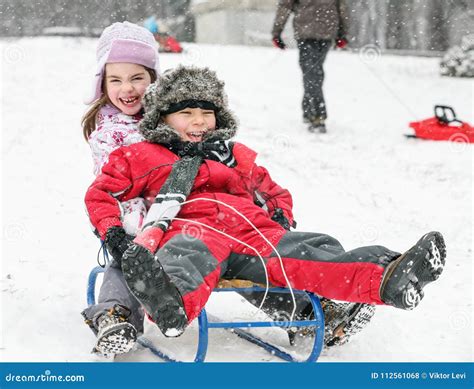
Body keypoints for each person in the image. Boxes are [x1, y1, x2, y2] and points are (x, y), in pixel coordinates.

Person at [84, 66, 446, 342]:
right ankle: (170, 303)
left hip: (253, 231)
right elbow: (100, 194)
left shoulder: (234, 156)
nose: (199, 122)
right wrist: (114, 234)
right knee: (183, 260)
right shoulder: (141, 155)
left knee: (311, 251)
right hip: (192, 230)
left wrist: (279, 215)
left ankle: (387, 277)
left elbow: (274, 191)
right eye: (186, 113)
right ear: (162, 118)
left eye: (207, 114)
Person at [80, 21, 160, 356]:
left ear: (153, 80)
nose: (127, 88)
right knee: (130, 257)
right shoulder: (109, 132)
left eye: (137, 78)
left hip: (176, 212)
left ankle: (295, 306)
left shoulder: (173, 117)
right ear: (103, 83)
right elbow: (114, 188)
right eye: (116, 80)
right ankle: (114, 315)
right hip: (125, 214)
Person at [271, 0, 349, 133]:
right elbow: (342, 8)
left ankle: (317, 115)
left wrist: (277, 32)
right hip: (325, 31)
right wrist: (342, 33)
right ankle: (309, 110)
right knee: (313, 72)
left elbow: (285, 6)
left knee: (312, 73)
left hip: (307, 31)